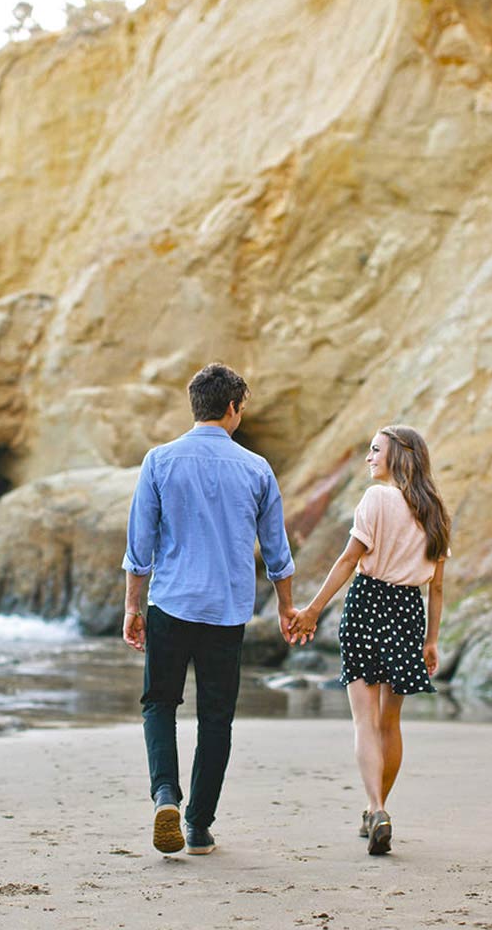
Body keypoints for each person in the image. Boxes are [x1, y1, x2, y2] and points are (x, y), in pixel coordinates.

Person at [122, 362, 301, 855]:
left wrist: (132, 608)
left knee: (160, 703)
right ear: (232, 407)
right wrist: (287, 609)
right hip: (227, 611)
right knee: (216, 718)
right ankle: (199, 826)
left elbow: (141, 547)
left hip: (172, 604)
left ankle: (165, 795)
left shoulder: (159, 461)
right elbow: (277, 552)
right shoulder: (257, 468)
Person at [292, 425, 450, 855]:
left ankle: (376, 808)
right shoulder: (434, 508)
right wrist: (431, 640)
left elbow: (349, 559)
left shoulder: (376, 499)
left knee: (364, 720)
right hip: (407, 612)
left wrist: (312, 610)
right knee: (390, 723)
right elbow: (436, 586)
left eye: (375, 450)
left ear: (399, 455)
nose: (368, 457)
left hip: (367, 603)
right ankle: (374, 808)